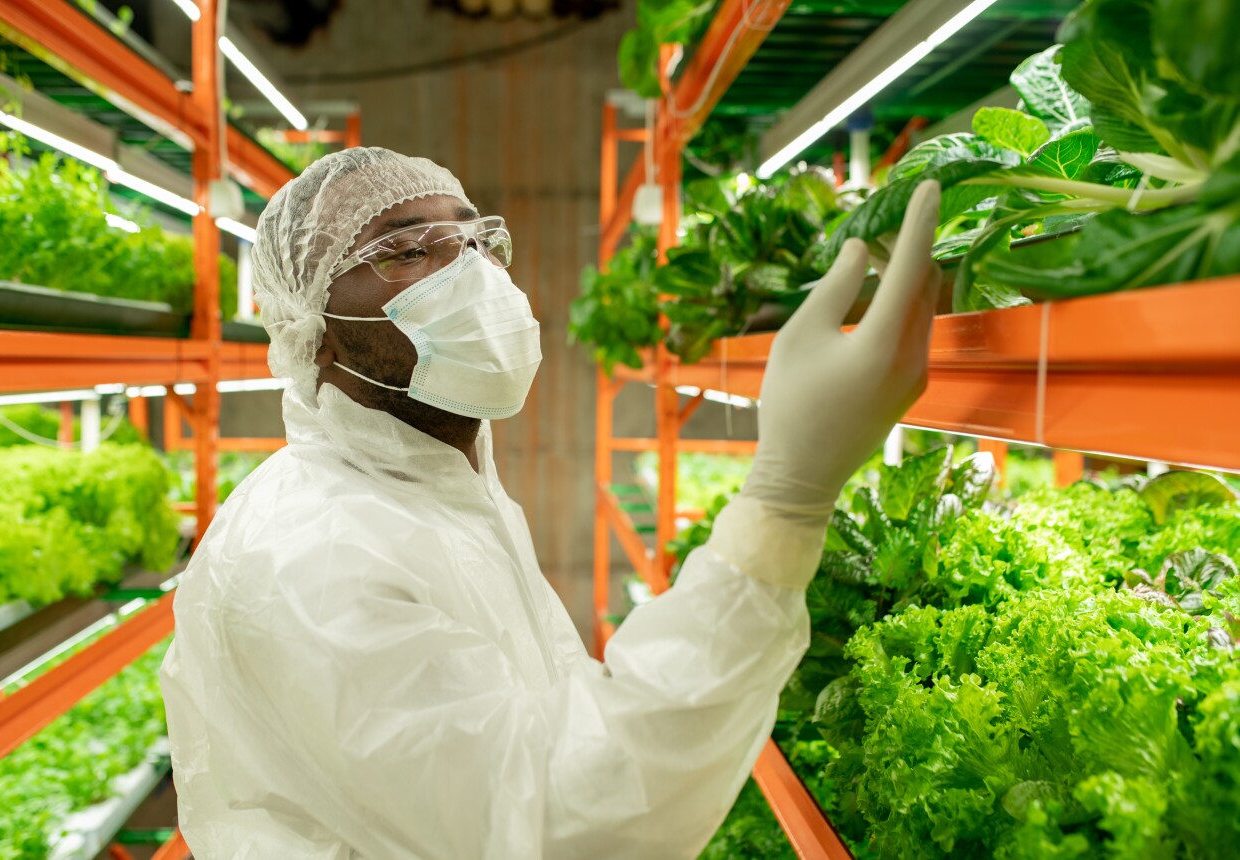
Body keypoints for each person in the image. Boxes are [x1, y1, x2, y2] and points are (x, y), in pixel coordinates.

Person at [160, 147, 943, 859]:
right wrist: (783, 501)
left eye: (474, 241)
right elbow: (558, 823)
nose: (469, 274)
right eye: (404, 251)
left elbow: (540, 719)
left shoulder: (440, 489)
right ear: (311, 329)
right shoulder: (312, 559)